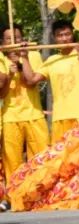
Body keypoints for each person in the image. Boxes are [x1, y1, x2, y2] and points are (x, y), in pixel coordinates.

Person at [33, 21, 79, 144]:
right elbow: (32, 80)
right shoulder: (51, 60)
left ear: (72, 35)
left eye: (67, 34)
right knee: (62, 154)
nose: (64, 39)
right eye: (60, 35)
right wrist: (24, 57)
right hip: (60, 117)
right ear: (54, 38)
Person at [1, 26, 48, 183]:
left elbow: (30, 82)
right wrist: (10, 74)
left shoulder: (33, 54)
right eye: (9, 39)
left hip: (34, 114)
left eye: (17, 38)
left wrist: (23, 60)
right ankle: (14, 193)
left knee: (41, 158)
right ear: (3, 42)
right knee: (12, 161)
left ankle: (41, 190)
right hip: (10, 117)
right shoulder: (1, 59)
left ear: (23, 39)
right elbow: (2, 94)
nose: (13, 42)